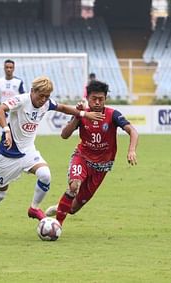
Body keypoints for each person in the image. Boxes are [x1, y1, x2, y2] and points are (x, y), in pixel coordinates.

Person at [0, 76, 105, 237]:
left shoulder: (46, 103)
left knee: (45, 175)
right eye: (41, 96)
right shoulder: (22, 100)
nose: (43, 100)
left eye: (47, 96)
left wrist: (84, 114)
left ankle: (34, 208)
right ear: (32, 91)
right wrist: (6, 130)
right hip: (8, 155)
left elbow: (64, 108)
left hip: (29, 152)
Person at [45, 80, 139, 227]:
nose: (97, 102)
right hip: (82, 158)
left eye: (100, 99)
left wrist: (132, 150)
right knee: (74, 186)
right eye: (93, 99)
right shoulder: (82, 114)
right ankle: (57, 225)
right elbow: (64, 135)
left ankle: (60, 208)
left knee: (74, 208)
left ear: (105, 99)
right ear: (87, 98)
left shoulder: (113, 115)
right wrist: (77, 116)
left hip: (101, 168)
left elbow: (132, 131)